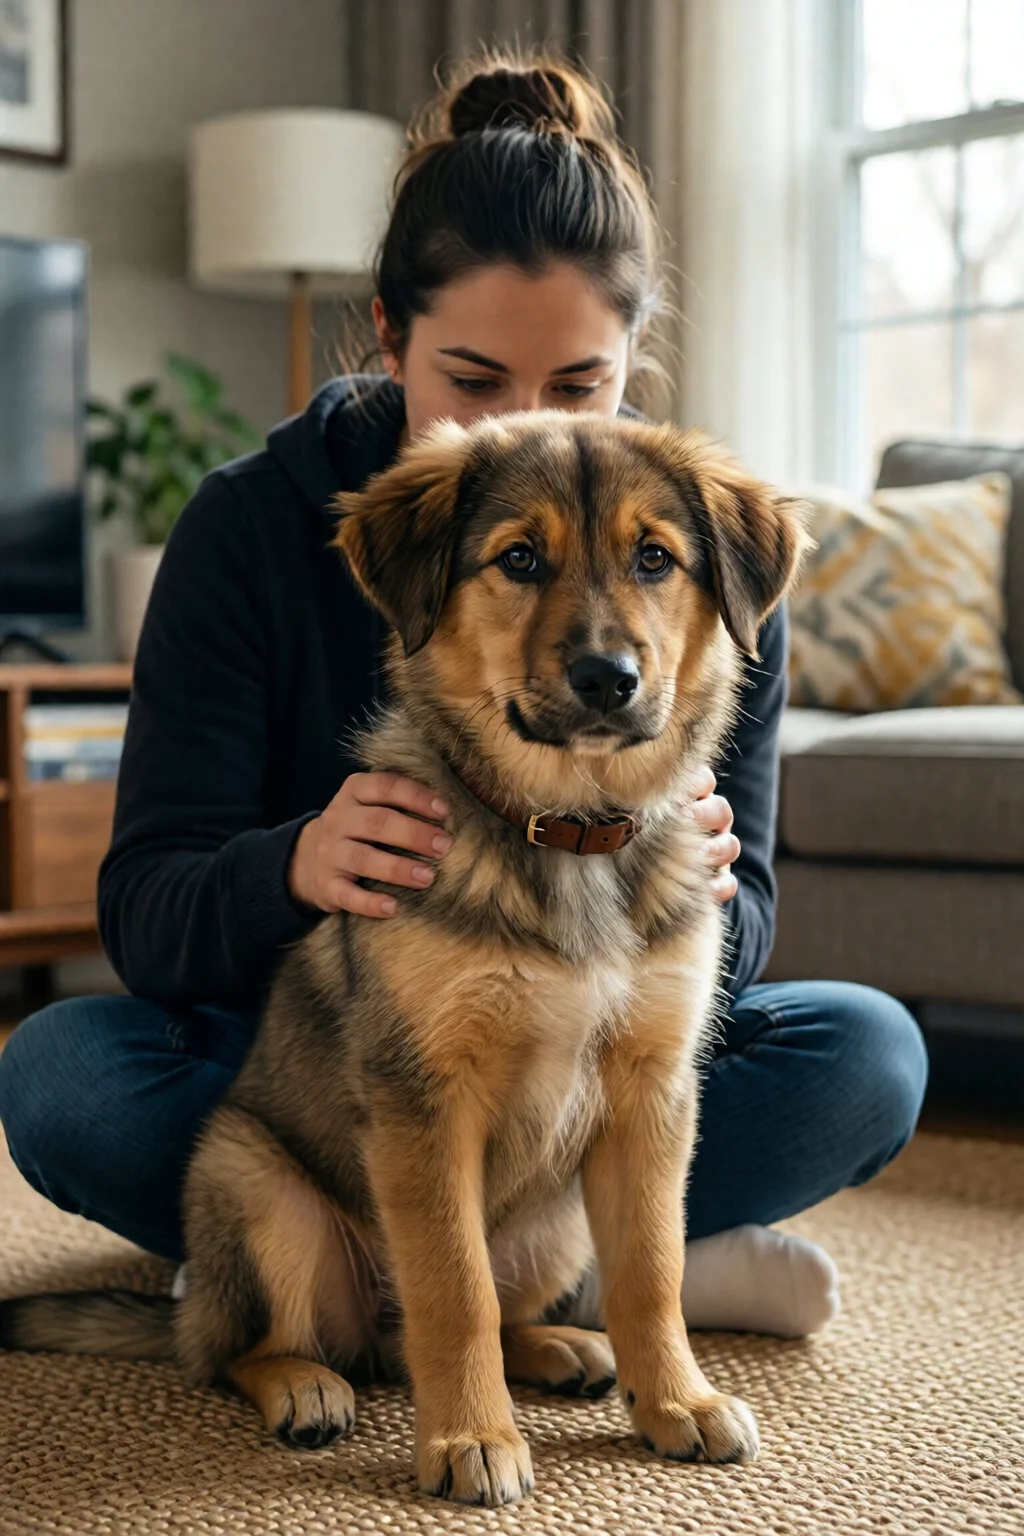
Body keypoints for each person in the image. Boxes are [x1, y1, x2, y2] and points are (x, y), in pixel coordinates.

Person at [0, 53, 927, 1340]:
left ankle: (591, 1265)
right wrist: (298, 864)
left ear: (632, 358)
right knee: (63, 1075)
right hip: (325, 1073)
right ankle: (316, 1272)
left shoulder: (686, 569)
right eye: (474, 382)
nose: (523, 431)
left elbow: (745, 923)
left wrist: (699, 876)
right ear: (389, 336)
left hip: (586, 1085)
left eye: (578, 385)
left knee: (865, 1052)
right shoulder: (251, 526)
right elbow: (147, 915)